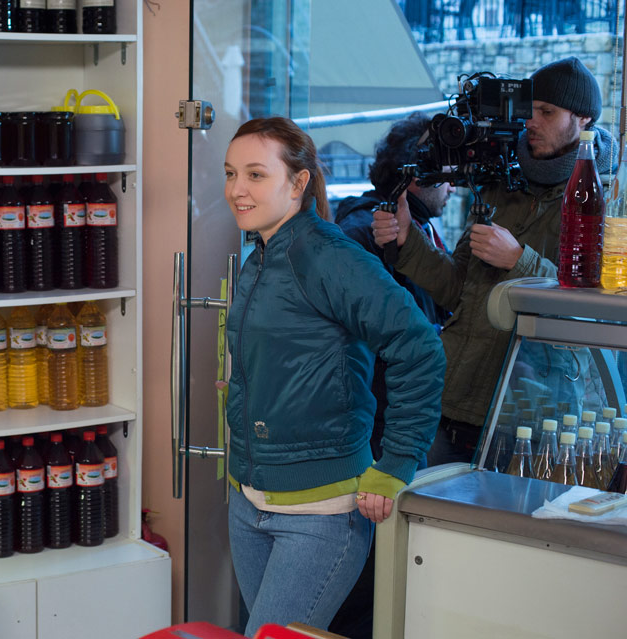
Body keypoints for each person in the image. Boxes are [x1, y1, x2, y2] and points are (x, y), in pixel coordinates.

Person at [223, 117, 445, 636]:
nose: (236, 189)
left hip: (319, 512)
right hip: (249, 500)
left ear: (298, 183)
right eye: (231, 173)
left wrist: (396, 464)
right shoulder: (261, 255)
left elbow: (419, 347)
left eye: (255, 174)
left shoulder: (329, 255)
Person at [372, 56, 619, 465]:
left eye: (547, 112)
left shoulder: (602, 196)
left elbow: (596, 310)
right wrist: (408, 240)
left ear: (584, 120)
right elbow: (459, 288)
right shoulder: (502, 182)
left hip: (534, 414)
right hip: (453, 398)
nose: (532, 122)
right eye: (529, 110)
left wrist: (519, 261)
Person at [336, 112, 453, 460]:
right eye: (447, 177)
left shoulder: (417, 226)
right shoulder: (365, 231)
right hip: (384, 422)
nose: (453, 187)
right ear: (418, 174)